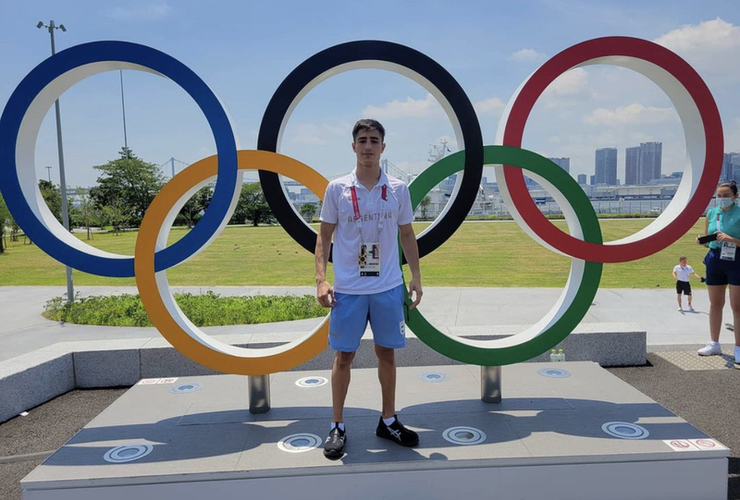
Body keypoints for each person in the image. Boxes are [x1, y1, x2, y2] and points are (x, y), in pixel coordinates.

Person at [315, 119, 423, 460]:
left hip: (388, 285)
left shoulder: (398, 189)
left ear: (383, 147)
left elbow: (407, 234)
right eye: (362, 140)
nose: (368, 146)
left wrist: (416, 277)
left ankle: (388, 420)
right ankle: (337, 425)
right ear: (353, 146)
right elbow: (324, 236)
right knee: (343, 356)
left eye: (374, 140)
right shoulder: (337, 189)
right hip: (348, 288)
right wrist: (321, 279)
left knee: (387, 353)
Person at [696, 180, 740, 365]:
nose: (721, 199)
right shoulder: (712, 213)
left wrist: (732, 239)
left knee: (737, 307)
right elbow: (709, 239)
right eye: (719, 196)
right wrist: (702, 241)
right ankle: (714, 343)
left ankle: (738, 347)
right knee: (715, 304)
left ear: (735, 196)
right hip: (715, 258)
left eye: (726, 196)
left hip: (736, 259)